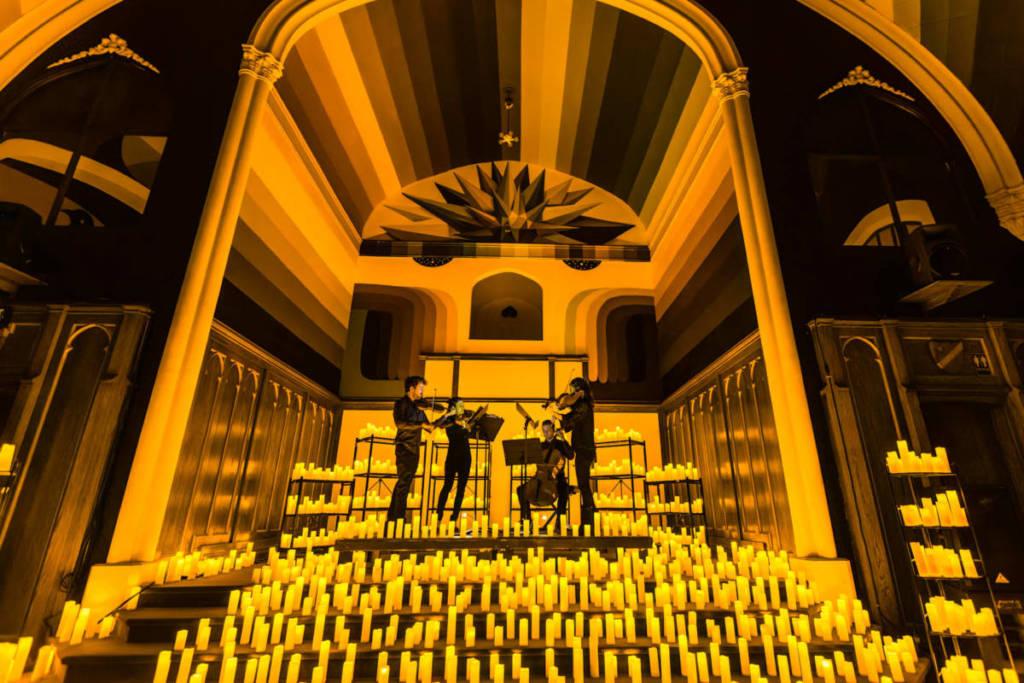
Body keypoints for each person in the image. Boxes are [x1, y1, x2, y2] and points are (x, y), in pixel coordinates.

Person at [388, 375, 441, 524]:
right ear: (411, 389)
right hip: (404, 447)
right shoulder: (401, 404)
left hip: (414, 449)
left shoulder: (419, 407)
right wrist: (421, 425)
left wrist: (442, 420)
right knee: (403, 484)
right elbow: (400, 424)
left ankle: (393, 518)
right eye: (420, 388)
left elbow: (428, 426)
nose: (422, 392)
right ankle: (398, 519)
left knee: (403, 484)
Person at [516, 419, 572, 533]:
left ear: (553, 430)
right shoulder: (540, 446)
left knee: (564, 491)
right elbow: (529, 458)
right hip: (539, 477)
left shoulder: (560, 444)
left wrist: (563, 439)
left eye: (548, 431)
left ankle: (559, 523)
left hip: (556, 478)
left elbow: (571, 456)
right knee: (521, 489)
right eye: (544, 431)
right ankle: (527, 520)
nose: (545, 433)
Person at [559, 377, 597, 530]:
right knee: (584, 485)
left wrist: (558, 414)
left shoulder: (583, 405)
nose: (571, 393)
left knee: (584, 485)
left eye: (573, 390)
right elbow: (570, 420)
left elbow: (570, 421)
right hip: (584, 450)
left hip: (583, 450)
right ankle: (589, 521)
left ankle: (589, 522)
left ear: (579, 390)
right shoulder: (583, 405)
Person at [435, 398, 472, 524]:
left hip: (466, 457)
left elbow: (471, 416)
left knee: (461, 489)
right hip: (452, 458)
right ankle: (438, 518)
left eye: (462, 405)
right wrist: (449, 414)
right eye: (459, 406)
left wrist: (466, 421)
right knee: (447, 486)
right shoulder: (449, 423)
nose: (462, 409)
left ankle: (454, 519)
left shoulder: (464, 420)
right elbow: (441, 425)